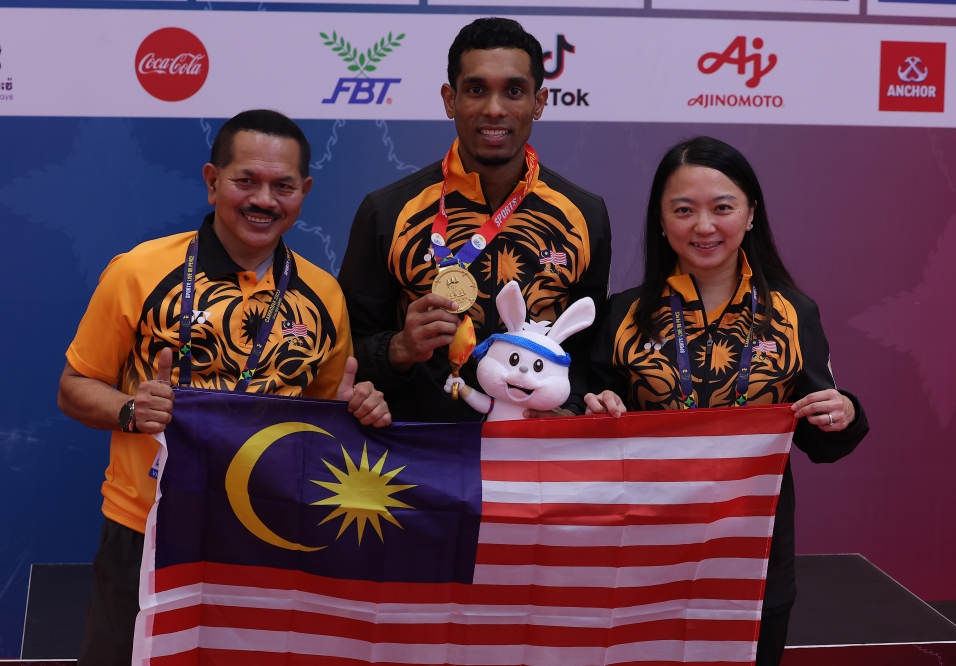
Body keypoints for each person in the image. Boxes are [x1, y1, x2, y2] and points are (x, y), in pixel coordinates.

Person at [57, 109, 392, 666]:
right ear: (213, 182)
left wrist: (358, 408)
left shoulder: (323, 294)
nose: (264, 199)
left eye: (283, 186)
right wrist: (129, 410)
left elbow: (323, 413)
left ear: (303, 192)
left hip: (266, 530)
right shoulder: (138, 271)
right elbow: (74, 387)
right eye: (246, 181)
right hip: (148, 528)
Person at [584, 136, 870, 665]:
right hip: (639, 558)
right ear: (662, 221)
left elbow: (820, 439)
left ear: (751, 213)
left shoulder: (791, 313)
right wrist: (591, 407)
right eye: (684, 210)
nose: (705, 226)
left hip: (753, 562)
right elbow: (583, 419)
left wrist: (843, 413)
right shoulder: (622, 315)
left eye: (722, 208)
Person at [339, 17, 611, 422]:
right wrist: (398, 349)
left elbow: (588, 352)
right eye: (476, 90)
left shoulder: (584, 215)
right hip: (419, 458)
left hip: (532, 460)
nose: (494, 109)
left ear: (539, 101)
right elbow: (344, 348)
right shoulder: (388, 211)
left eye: (514, 91)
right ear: (450, 99)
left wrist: (570, 409)